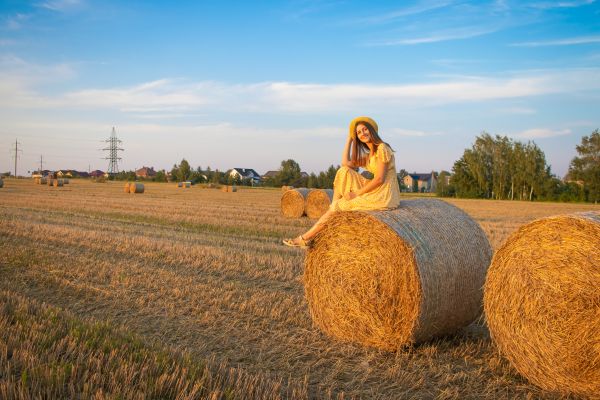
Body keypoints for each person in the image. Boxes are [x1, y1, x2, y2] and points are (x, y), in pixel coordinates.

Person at [283, 116, 401, 248]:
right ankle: (333, 207)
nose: (363, 134)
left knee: (339, 205)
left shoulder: (382, 148)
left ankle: (304, 238)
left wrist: (356, 194)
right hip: (378, 190)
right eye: (359, 132)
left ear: (372, 130)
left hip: (384, 195)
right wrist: (349, 139)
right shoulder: (370, 155)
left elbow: (380, 179)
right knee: (343, 171)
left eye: (365, 129)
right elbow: (345, 163)